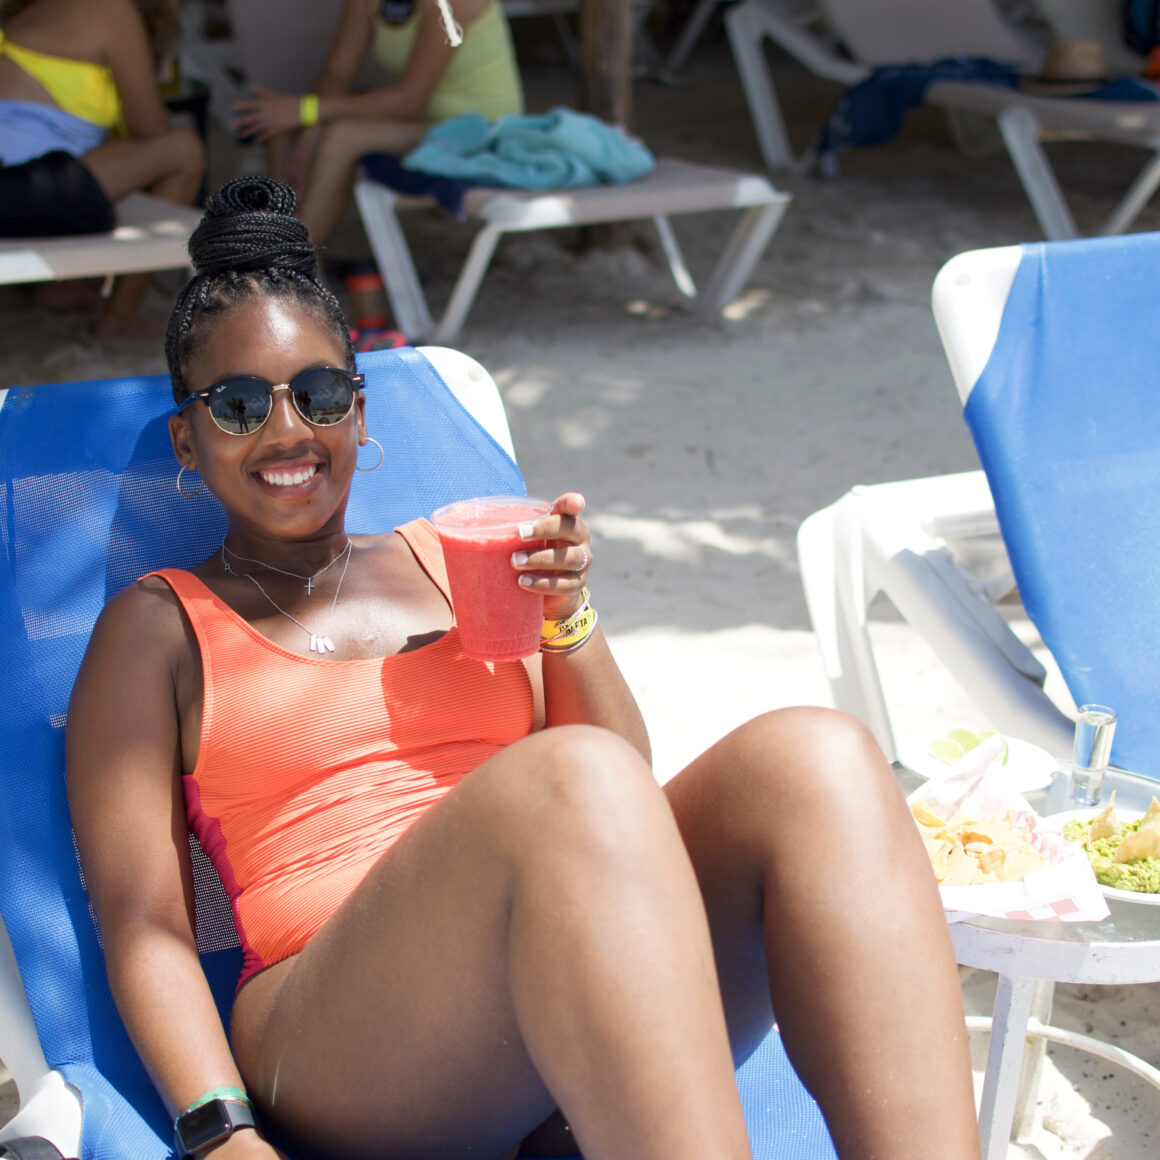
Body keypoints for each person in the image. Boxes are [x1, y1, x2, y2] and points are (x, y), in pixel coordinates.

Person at [66, 175, 980, 1160]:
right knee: (562, 777)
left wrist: (565, 617)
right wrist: (218, 1130)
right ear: (186, 441)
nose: (287, 429)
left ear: (361, 415)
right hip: (339, 1037)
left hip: (566, 995)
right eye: (238, 405)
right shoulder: (159, 625)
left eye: (320, 393)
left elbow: (622, 786)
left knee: (818, 759)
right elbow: (143, 920)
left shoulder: (456, 557)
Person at [231, 0, 524, 248]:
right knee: (280, 126)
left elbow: (410, 100)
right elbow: (338, 73)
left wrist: (309, 112)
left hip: (483, 131)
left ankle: (288, 263)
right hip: (424, 125)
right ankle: (292, 250)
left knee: (343, 135)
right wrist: (309, 129)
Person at [0, 0, 204, 339]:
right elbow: (150, 128)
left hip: (22, 186)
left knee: (92, 163)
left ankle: (61, 287)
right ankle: (119, 318)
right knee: (183, 150)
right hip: (21, 189)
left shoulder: (31, 9)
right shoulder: (109, 9)